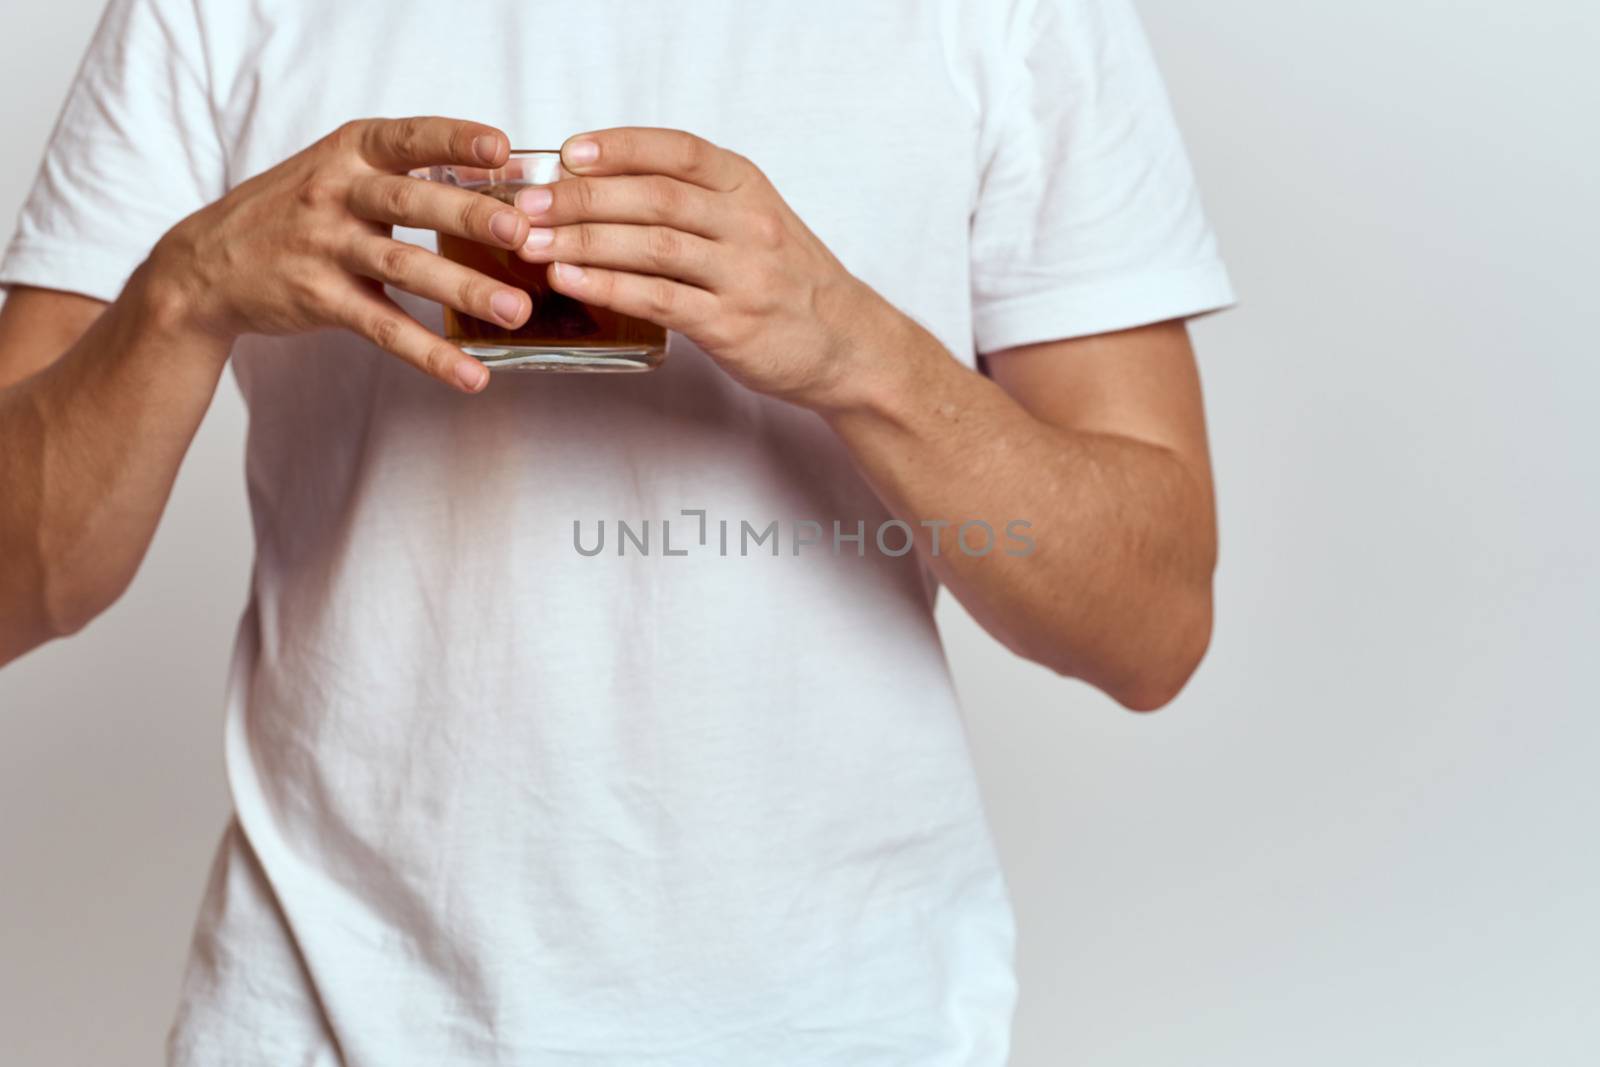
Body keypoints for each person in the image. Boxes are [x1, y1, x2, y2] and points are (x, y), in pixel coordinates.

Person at [0, 0, 1233, 1062]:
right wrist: (181, 290)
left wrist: (858, 348)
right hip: (323, 1017)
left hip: (845, 1023)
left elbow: (1152, 621)